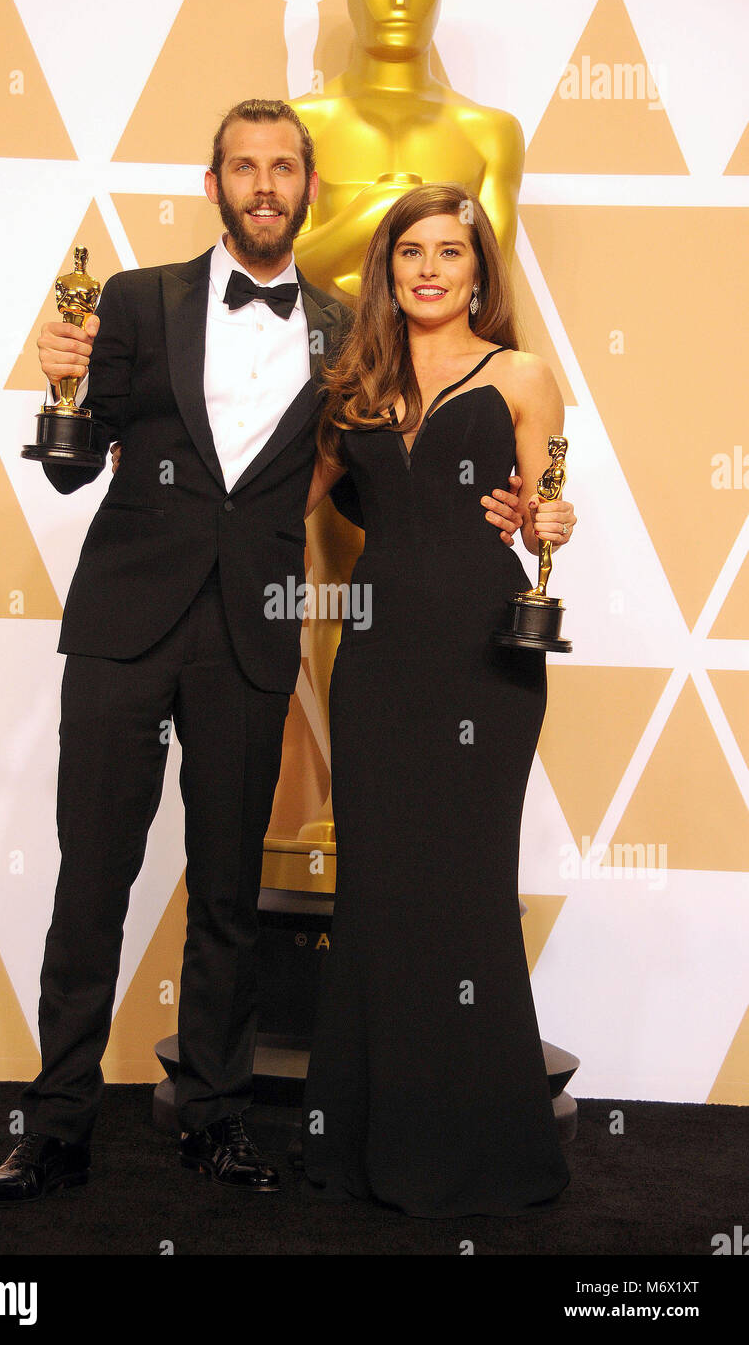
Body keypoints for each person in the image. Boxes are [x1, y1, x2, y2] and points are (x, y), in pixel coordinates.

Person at [0, 99, 528, 1208]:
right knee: (93, 878)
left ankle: (216, 1121)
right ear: (213, 180)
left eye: (282, 169)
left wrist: (510, 515)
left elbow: (389, 479)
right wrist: (61, 381)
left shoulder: (343, 335)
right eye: (243, 167)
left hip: (252, 634)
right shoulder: (134, 298)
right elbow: (76, 467)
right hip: (124, 628)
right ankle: (57, 1124)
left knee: (225, 892)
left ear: (308, 190)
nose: (264, 185)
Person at [297, 182, 576, 1217]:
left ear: (476, 270)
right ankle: (364, 1144)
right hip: (373, 655)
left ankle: (478, 1152)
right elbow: (282, 502)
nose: (426, 268)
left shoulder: (521, 373)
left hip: (483, 654)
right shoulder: (354, 384)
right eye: (409, 250)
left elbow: (547, 506)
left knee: (462, 888)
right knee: (374, 890)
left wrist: (551, 517)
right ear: (387, 268)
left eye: (447, 252)